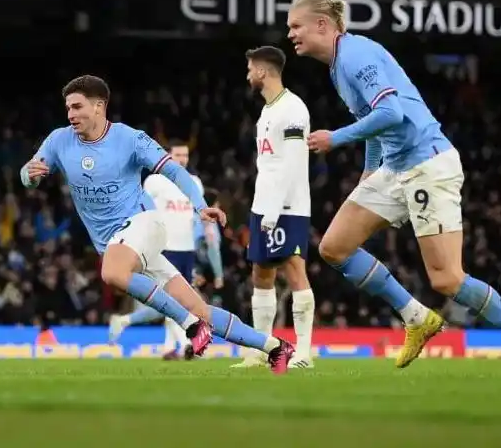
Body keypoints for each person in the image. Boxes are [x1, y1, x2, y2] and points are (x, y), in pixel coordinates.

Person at [287, 0, 501, 378]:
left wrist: (336, 138)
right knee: (335, 247)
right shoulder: (337, 64)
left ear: (322, 25)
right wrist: (369, 173)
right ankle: (417, 317)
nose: (290, 34)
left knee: (447, 277)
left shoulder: (355, 55)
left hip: (427, 164)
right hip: (396, 167)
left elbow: (390, 112)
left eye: (295, 26)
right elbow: (376, 123)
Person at [21, 75, 295, 374]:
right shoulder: (60, 140)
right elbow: (30, 173)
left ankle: (191, 328)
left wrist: (201, 205)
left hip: (144, 223)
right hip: (118, 243)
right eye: (68, 108)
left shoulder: (130, 139)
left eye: (77, 107)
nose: (71, 115)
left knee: (112, 273)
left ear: (99, 106)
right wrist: (29, 176)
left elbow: (175, 172)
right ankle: (275, 347)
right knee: (199, 307)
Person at [231, 46, 316, 370]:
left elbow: (294, 161)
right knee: (261, 274)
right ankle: (262, 349)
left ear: (264, 71)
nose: (249, 74)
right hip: (264, 203)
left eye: (251, 68)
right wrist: (263, 208)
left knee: (294, 269)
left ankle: (305, 352)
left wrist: (276, 208)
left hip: (289, 205)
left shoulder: (293, 109)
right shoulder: (267, 111)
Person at [108, 140, 202, 360]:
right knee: (174, 300)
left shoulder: (194, 182)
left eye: (185, 155)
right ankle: (185, 344)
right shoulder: (156, 181)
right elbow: (142, 209)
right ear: (169, 156)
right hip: (164, 247)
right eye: (178, 155)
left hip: (187, 249)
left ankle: (166, 346)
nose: (182, 159)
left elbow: (195, 217)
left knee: (179, 301)